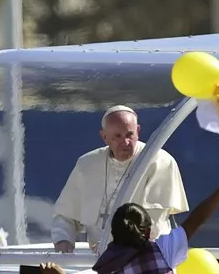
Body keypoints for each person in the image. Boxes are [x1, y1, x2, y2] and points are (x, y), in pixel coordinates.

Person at [50, 106, 189, 253]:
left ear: (138, 131)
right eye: (118, 136)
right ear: (104, 137)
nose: (126, 142)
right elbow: (66, 214)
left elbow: (154, 221)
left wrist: (115, 249)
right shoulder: (87, 164)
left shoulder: (160, 161)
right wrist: (63, 240)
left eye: (130, 135)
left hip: (147, 255)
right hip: (98, 259)